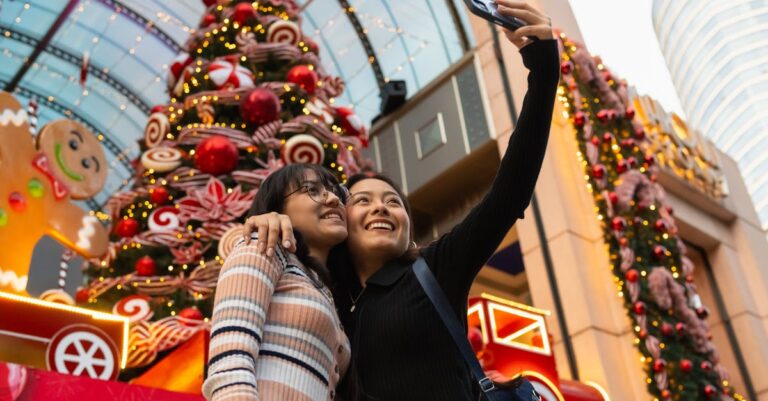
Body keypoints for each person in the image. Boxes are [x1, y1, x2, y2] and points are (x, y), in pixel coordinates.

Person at [243, 1, 559, 399]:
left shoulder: (436, 269)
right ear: (340, 221)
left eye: (393, 202)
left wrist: (544, 69)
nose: (381, 207)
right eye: (363, 201)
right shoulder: (327, 303)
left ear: (409, 229)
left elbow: (510, 190)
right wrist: (271, 222)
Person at [203, 164, 352, 401]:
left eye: (336, 192)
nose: (333, 199)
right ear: (278, 208)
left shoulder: (327, 289)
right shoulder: (263, 246)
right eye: (311, 190)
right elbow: (230, 366)